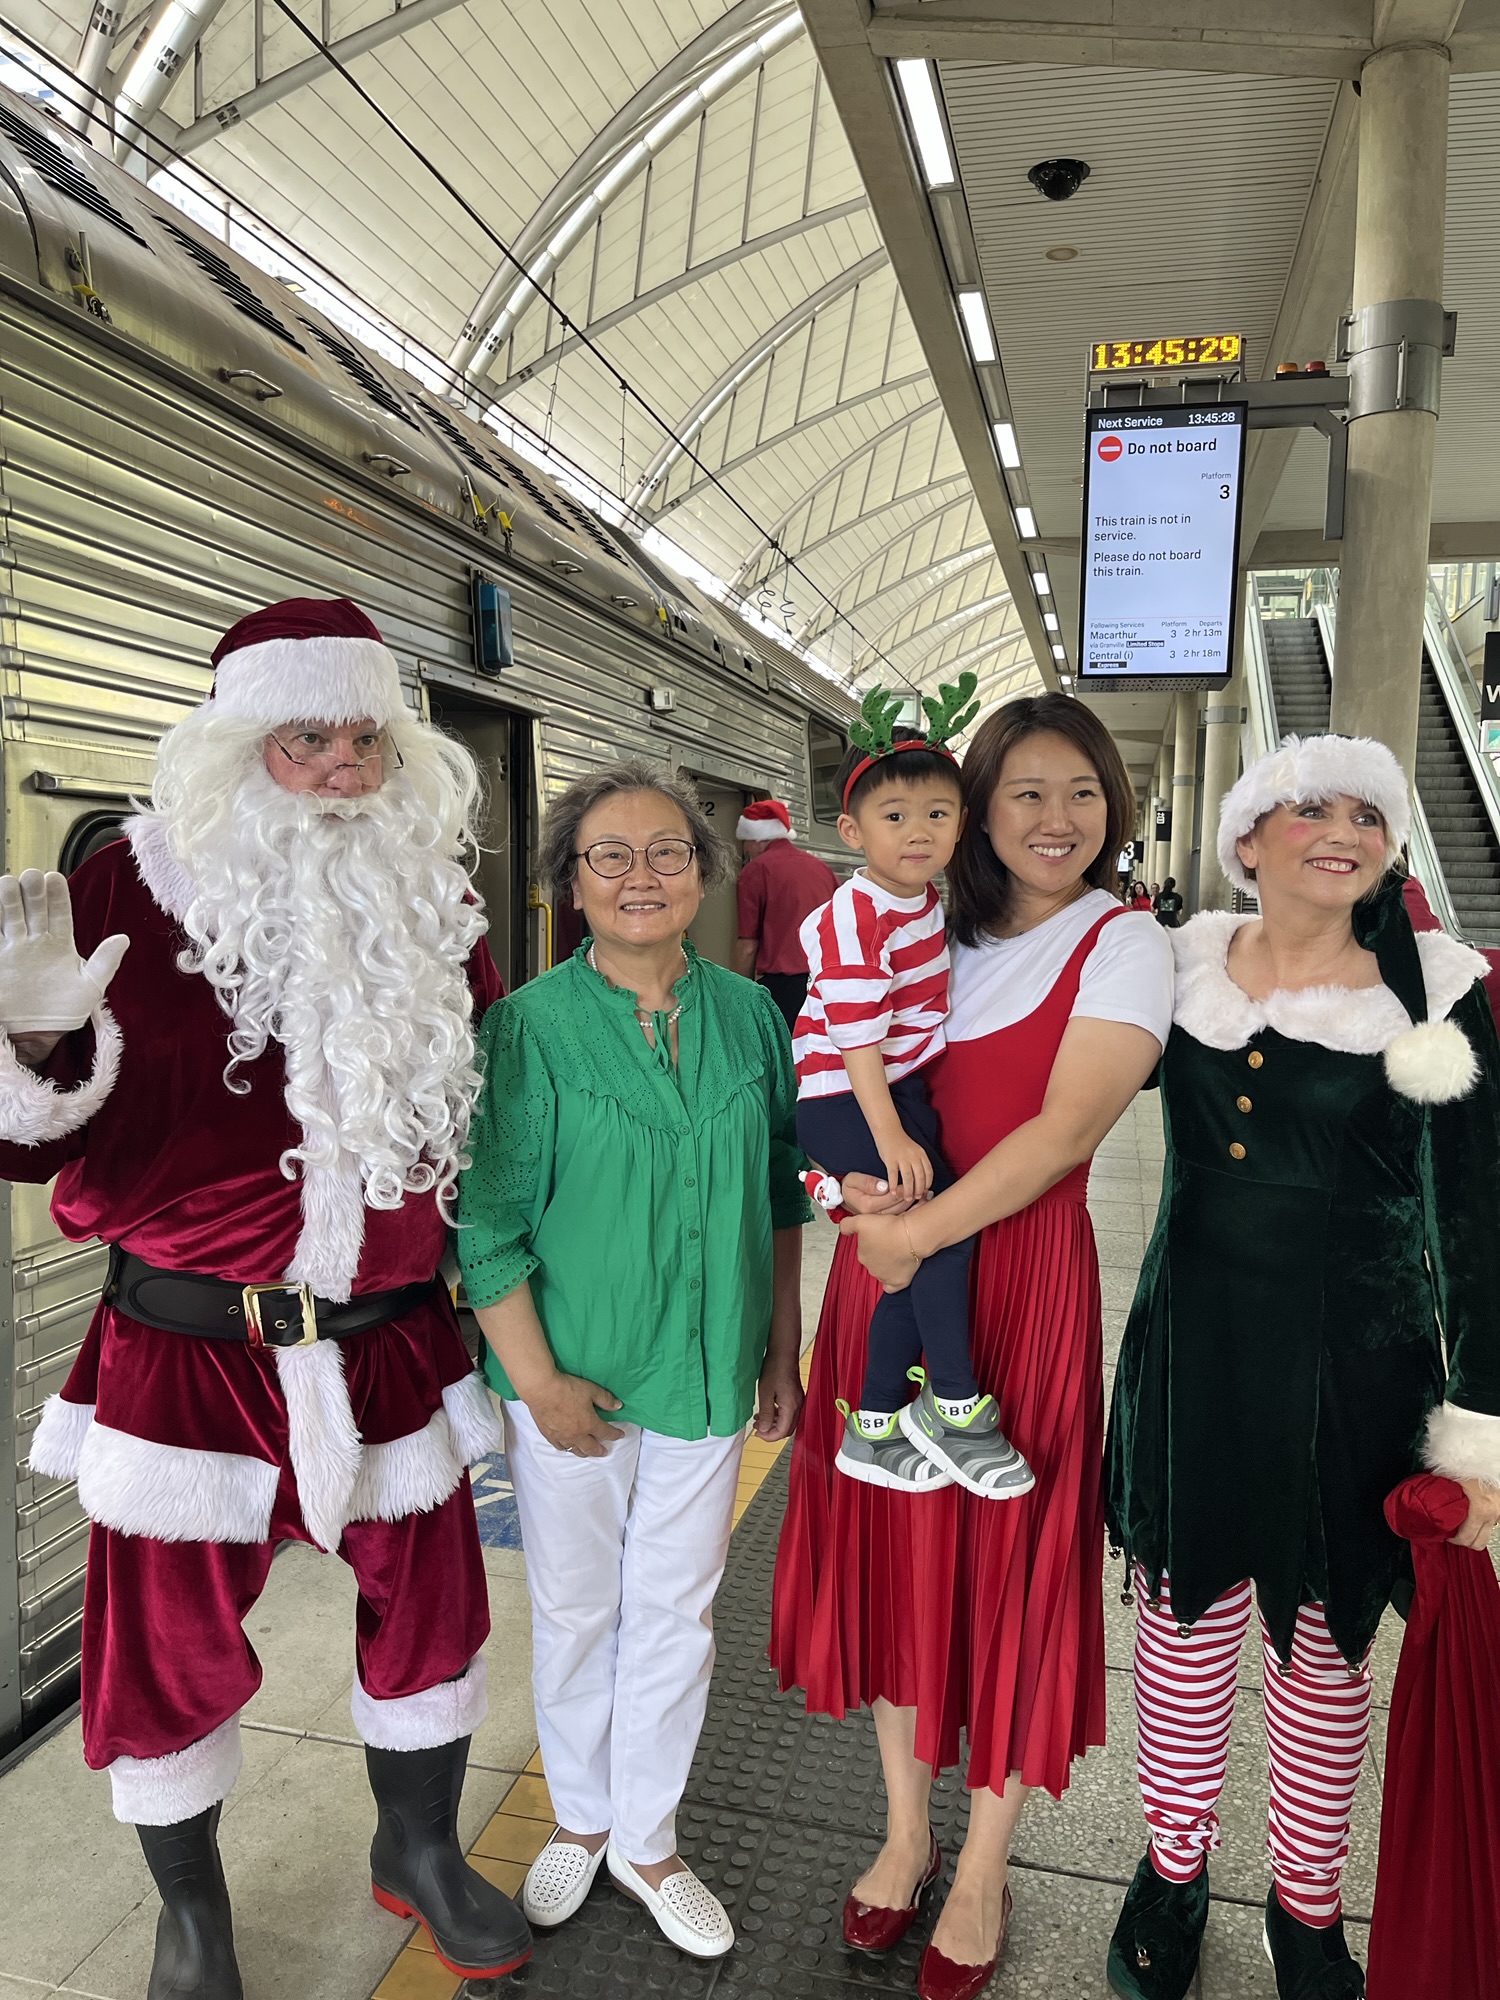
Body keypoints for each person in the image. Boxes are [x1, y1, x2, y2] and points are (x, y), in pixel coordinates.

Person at [0, 598, 531, 1995]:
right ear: (239, 746)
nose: (344, 767)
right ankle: (191, 1913)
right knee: (161, 1648)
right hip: (185, 1346)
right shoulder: (121, 893)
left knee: (433, 1613)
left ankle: (419, 1847)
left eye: (366, 738)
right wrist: (30, 1047)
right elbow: (24, 1144)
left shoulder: (433, 899)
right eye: (308, 739)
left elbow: (493, 1114)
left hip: (389, 1339)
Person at [771, 693, 1174, 2000]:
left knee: (1009, 1562)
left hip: (1015, 1282)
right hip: (889, 1269)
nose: (1057, 819)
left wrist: (909, 1236)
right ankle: (905, 1830)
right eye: (1026, 793)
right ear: (976, 812)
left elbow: (1064, 1135)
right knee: (899, 1551)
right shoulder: (920, 925)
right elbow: (824, 1067)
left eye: (1083, 791)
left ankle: (985, 1861)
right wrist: (845, 1206)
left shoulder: (1122, 940)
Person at [1104, 732, 1500, 2000]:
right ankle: (1173, 1869)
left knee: (1325, 1647)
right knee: (1184, 1625)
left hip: (1357, 1369)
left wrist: (1482, 1426)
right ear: (1247, 837)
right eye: (1312, 809)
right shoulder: (1173, 963)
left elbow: (1481, 1216)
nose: (1344, 832)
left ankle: (1305, 1899)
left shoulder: (1437, 989)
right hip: (1196, 1347)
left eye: (1368, 816)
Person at [456, 760, 809, 1959]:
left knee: (677, 1608)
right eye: (610, 854)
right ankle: (581, 1815)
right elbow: (487, 1225)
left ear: (705, 875)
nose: (641, 875)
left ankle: (647, 1838)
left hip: (707, 1370)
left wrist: (781, 1347)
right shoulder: (528, 1027)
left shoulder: (752, 1016)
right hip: (576, 1381)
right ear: (572, 883)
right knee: (574, 1606)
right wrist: (539, 1381)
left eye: (668, 851)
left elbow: (778, 1196)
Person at [796, 683, 1030, 1500]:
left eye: (937, 813)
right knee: (939, 1230)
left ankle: (875, 1423)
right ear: (853, 831)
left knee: (920, 1245)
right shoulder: (855, 914)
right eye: (894, 816)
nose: (919, 831)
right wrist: (892, 1134)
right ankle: (955, 1405)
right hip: (848, 1094)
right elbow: (856, 1039)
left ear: (962, 824)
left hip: (888, 1094)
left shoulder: (924, 901)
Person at [734, 796, 838, 1032]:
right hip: (825, 984)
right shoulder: (821, 868)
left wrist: (737, 994)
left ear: (758, 837)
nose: (746, 848)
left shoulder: (756, 870)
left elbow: (748, 944)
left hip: (783, 988)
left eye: (746, 841)